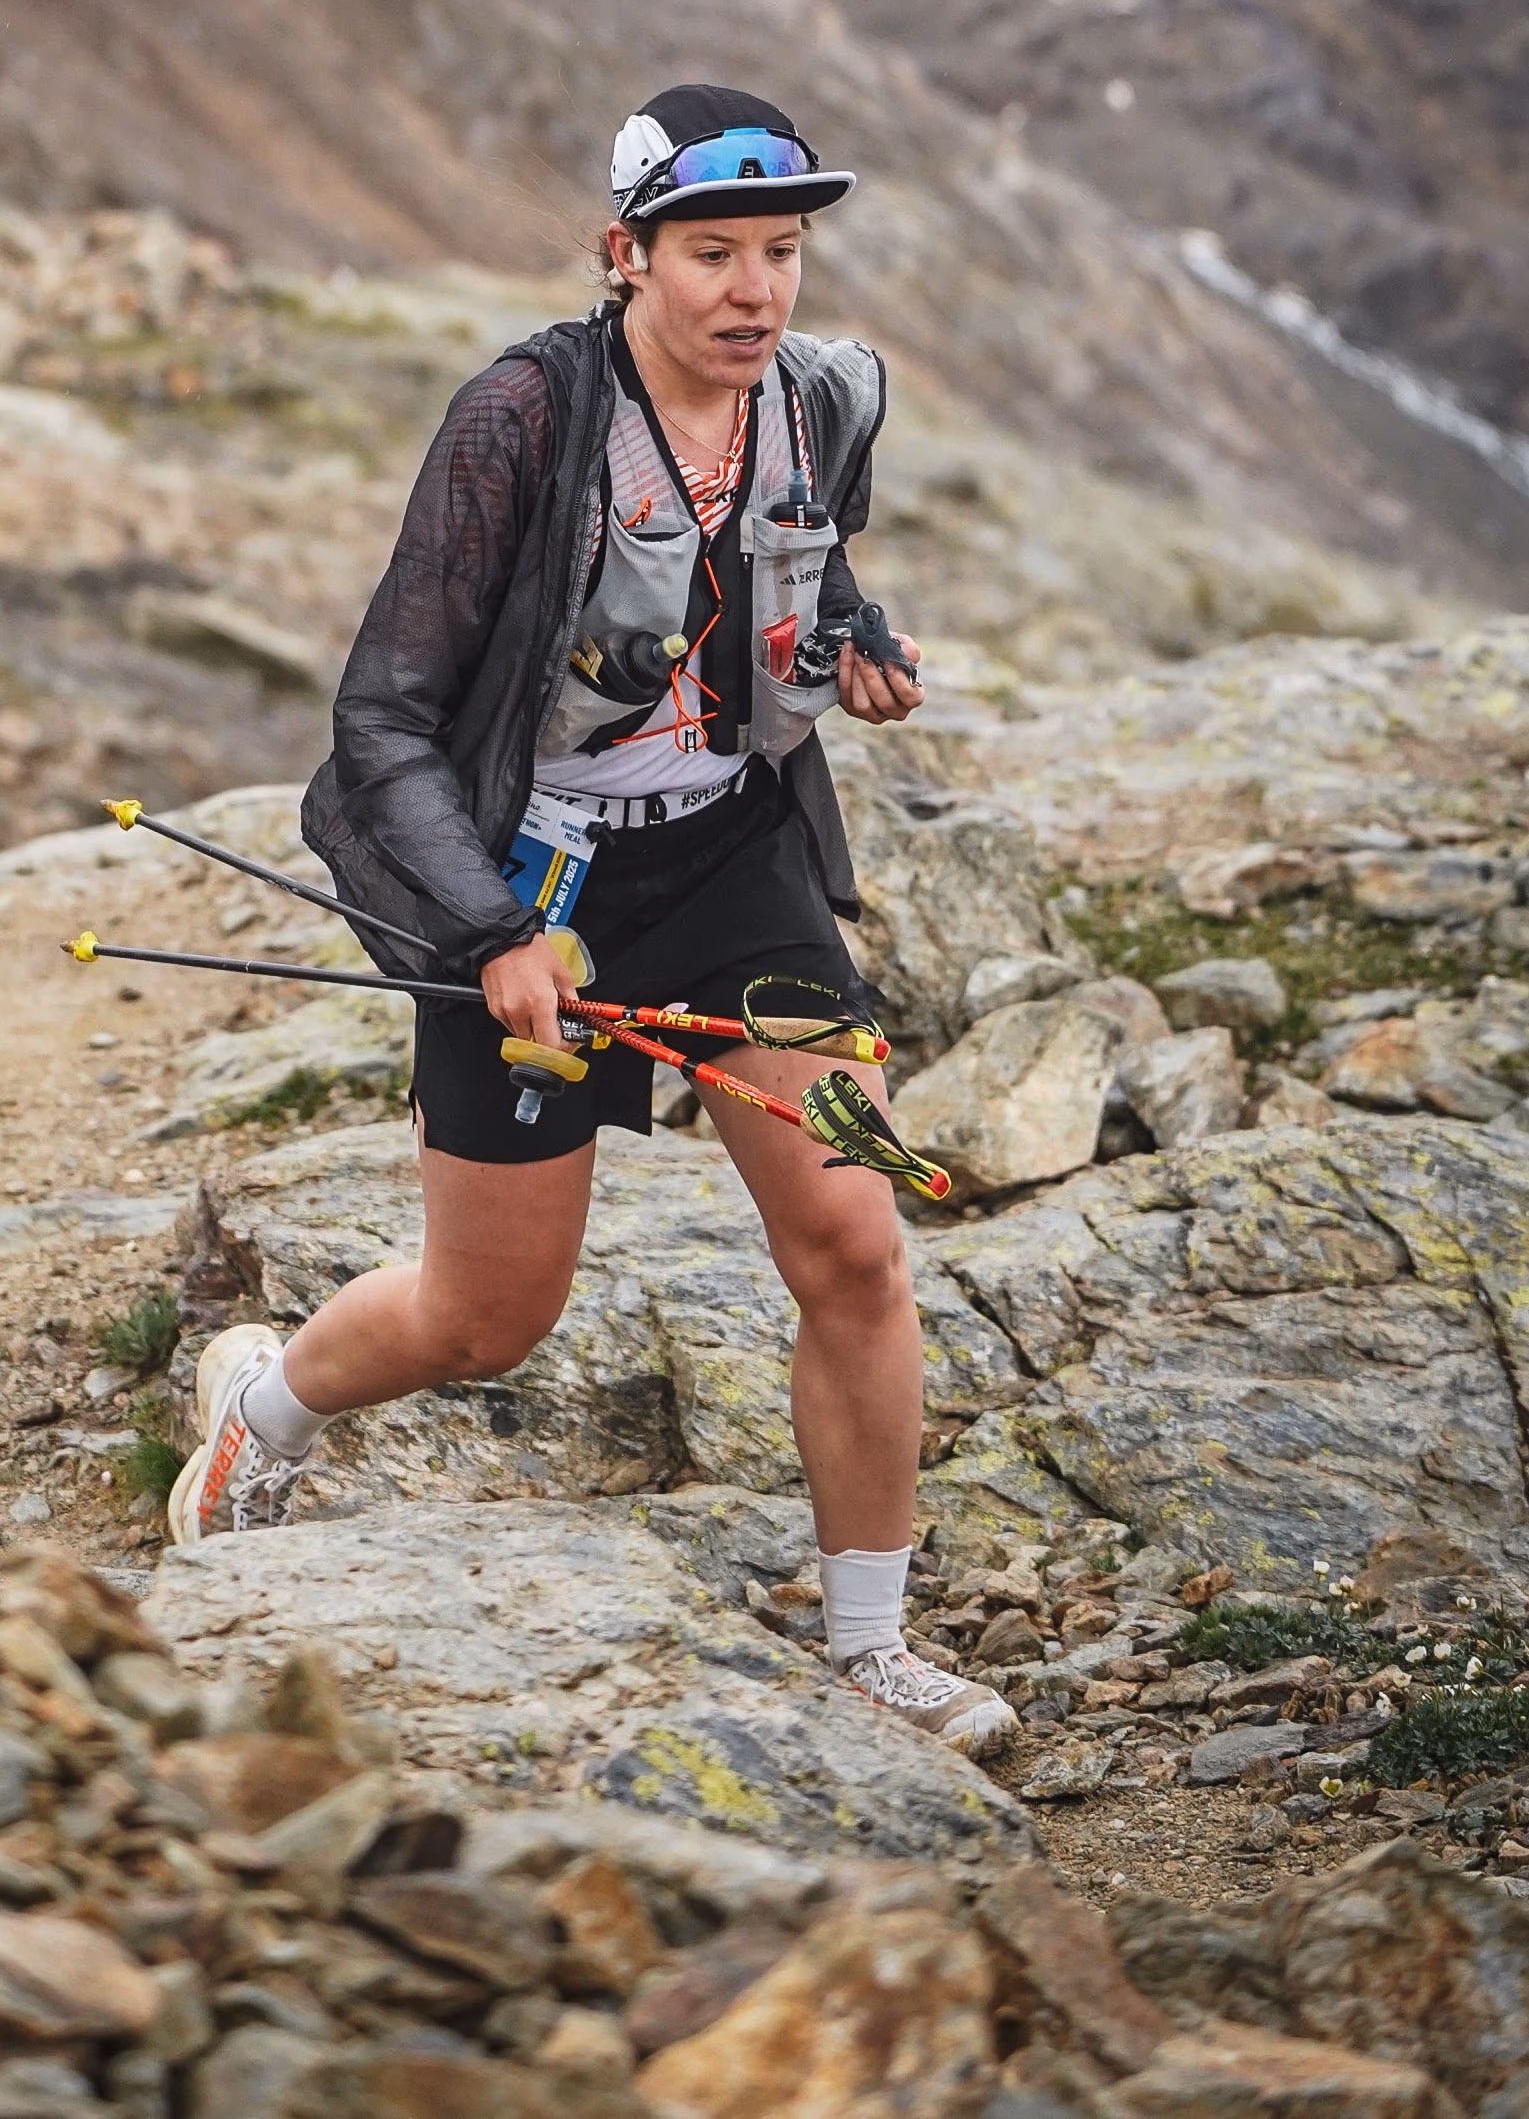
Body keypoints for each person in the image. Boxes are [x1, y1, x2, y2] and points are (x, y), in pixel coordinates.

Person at [169, 84, 1016, 1751]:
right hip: (530, 882)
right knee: (489, 1320)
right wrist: (486, 931)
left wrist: (858, 636)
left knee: (853, 1240)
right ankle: (260, 1410)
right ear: (627, 256)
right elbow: (384, 716)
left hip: (734, 861)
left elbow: (809, 558)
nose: (756, 290)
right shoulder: (526, 422)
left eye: (781, 250)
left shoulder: (825, 400)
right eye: (714, 252)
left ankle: (870, 1648)